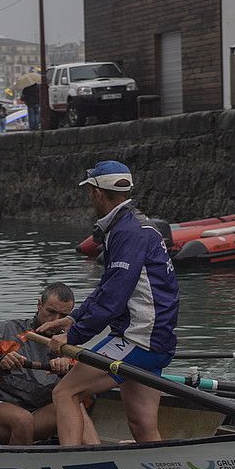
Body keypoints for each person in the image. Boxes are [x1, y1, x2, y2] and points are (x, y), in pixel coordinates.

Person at [38, 161, 179, 446]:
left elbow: (114, 299)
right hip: (157, 339)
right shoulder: (134, 225)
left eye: (90, 193)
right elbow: (107, 286)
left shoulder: (127, 232)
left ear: (97, 193)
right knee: (142, 426)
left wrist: (73, 337)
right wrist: (75, 317)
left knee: (65, 393)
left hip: (138, 339)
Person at [0, 283, 96, 445]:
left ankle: (98, 456)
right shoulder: (6, 331)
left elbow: (89, 398)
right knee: (22, 419)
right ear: (39, 305)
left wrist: (66, 373)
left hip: (38, 414)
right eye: (50, 312)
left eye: (63, 316)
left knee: (76, 407)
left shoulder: (70, 349)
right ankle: (13, 467)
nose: (55, 321)